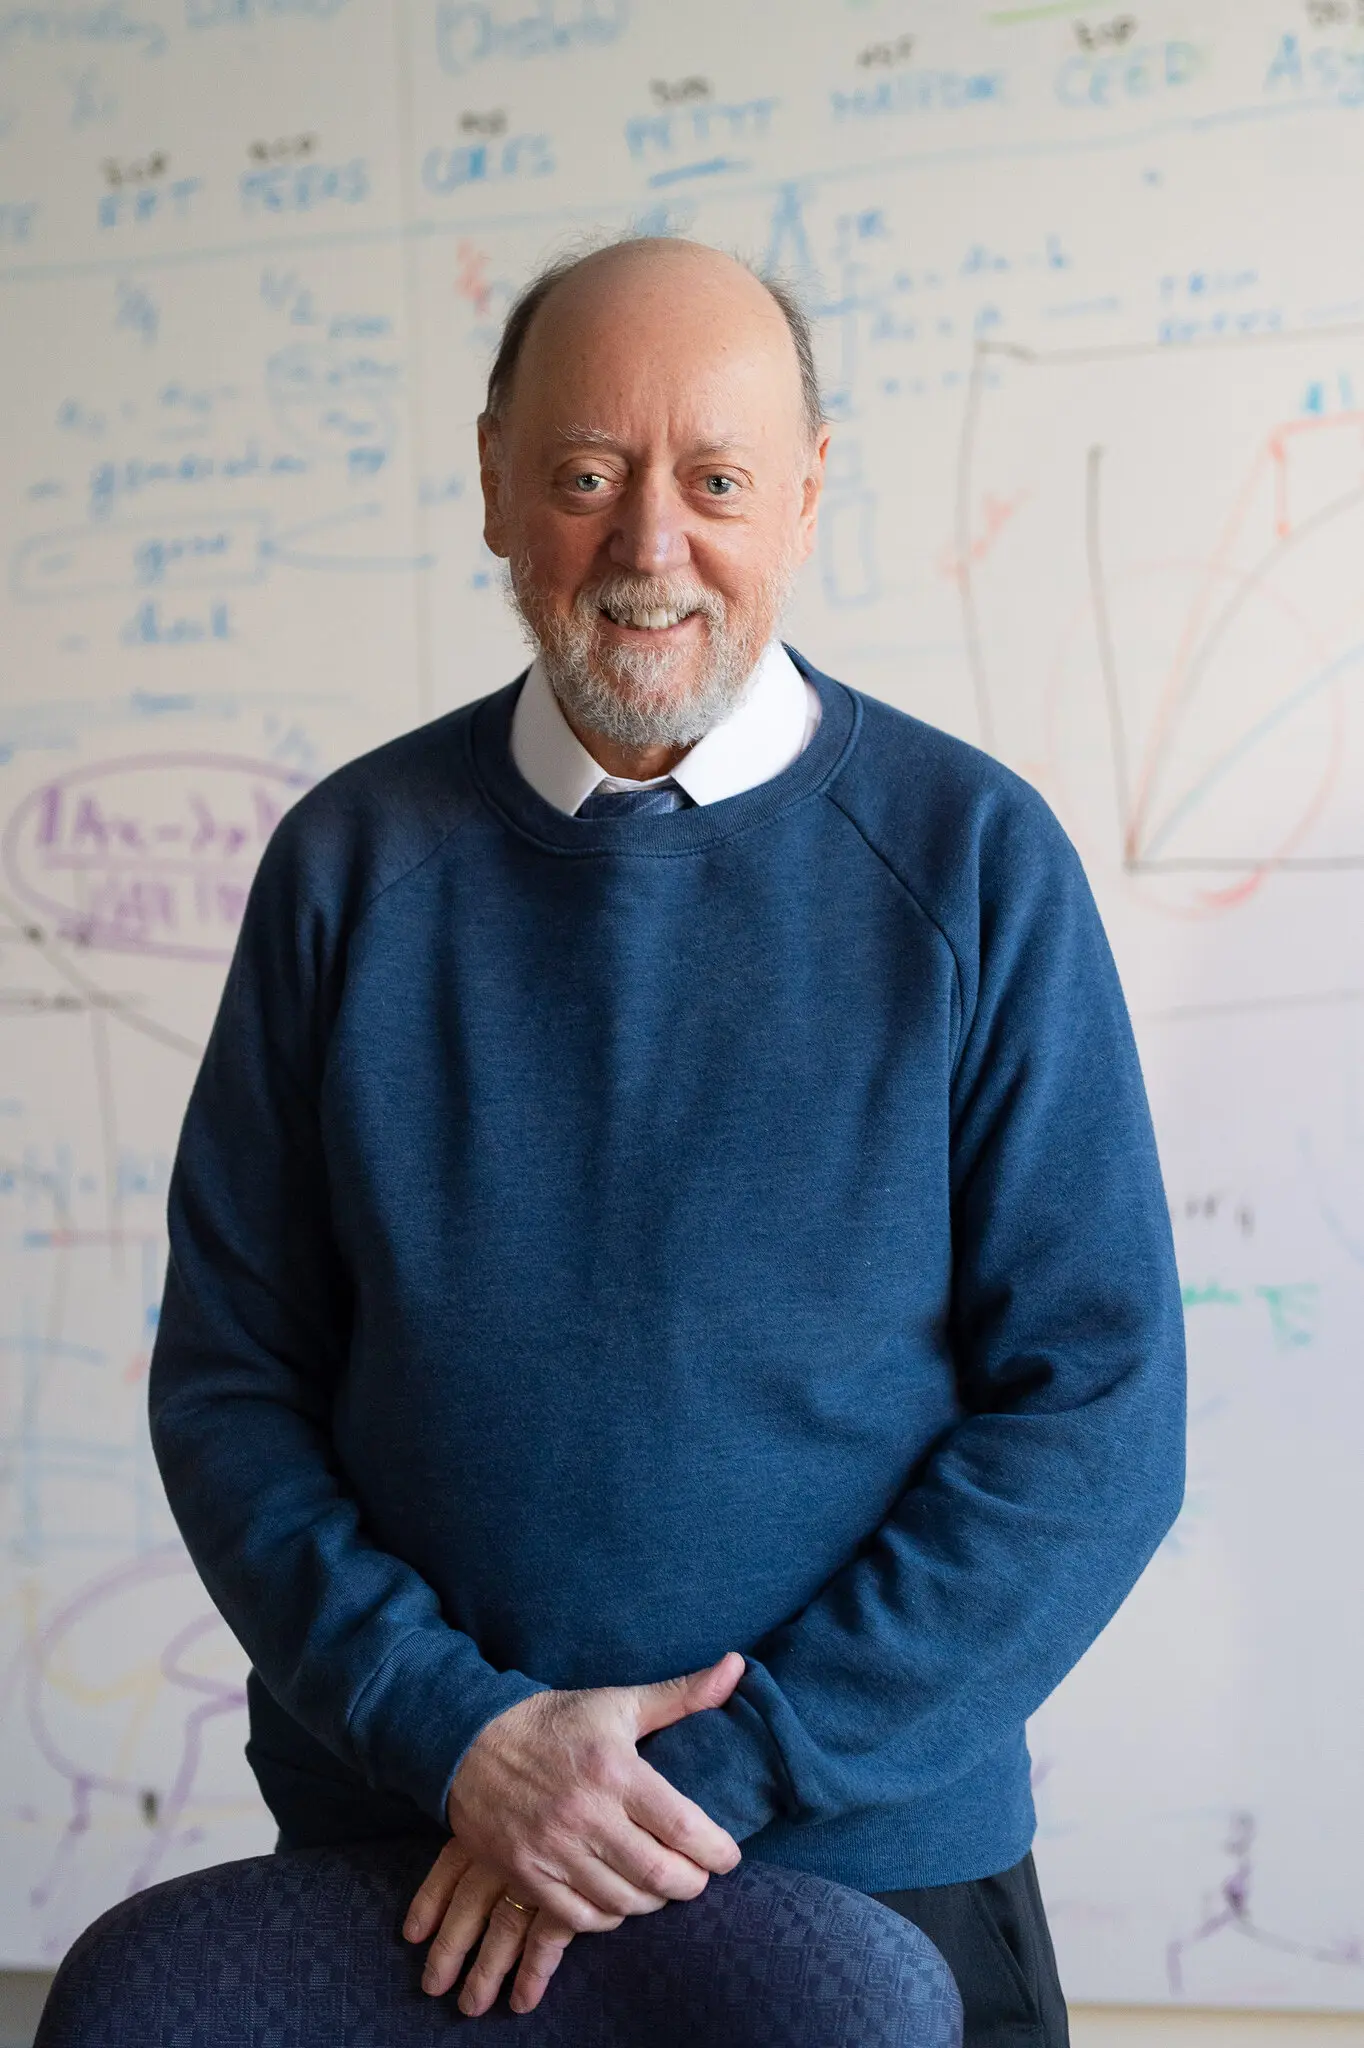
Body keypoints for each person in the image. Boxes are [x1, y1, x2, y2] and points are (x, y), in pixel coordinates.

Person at [147, 236, 1186, 2047]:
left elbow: (1097, 1419)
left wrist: (698, 1778)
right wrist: (462, 1737)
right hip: (415, 1856)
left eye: (715, 480)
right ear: (494, 483)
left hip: (872, 1864)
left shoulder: (974, 864)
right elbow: (233, 1386)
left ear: (806, 495)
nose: (649, 546)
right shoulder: (346, 870)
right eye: (583, 475)